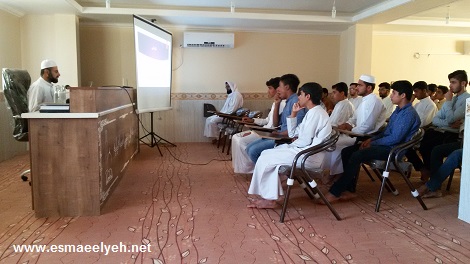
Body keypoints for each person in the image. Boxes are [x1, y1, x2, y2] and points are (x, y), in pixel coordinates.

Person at [324, 80, 421, 203]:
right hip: (386, 145)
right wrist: (372, 139)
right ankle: (349, 189)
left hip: (393, 150)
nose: (391, 96)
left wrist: (373, 143)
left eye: (394, 93)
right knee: (346, 151)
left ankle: (335, 191)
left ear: (403, 96)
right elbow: (386, 133)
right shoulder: (398, 111)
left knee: (357, 155)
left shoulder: (408, 114)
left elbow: (395, 138)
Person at [247, 82, 332, 209]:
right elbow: (293, 133)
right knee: (266, 154)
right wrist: (294, 114)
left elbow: (304, 141)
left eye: (301, 95)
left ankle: (270, 199)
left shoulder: (317, 113)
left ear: (308, 96)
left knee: (266, 158)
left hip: (307, 156)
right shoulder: (312, 112)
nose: (299, 98)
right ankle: (270, 196)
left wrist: (293, 144)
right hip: (302, 151)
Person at [409, 70, 470, 181]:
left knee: (431, 147)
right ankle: (428, 173)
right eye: (450, 82)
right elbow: (436, 119)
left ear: (463, 83)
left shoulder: (467, 99)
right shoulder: (453, 98)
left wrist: (448, 101)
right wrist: (449, 122)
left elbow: (451, 118)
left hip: (451, 135)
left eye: (453, 82)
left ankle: (433, 179)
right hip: (441, 130)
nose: (450, 85)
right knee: (417, 143)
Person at [323, 75, 386, 180]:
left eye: (360, 85)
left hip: (366, 137)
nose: (356, 88)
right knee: (332, 143)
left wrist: (349, 130)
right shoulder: (364, 100)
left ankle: (337, 175)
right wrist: (347, 124)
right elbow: (354, 118)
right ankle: (335, 173)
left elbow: (366, 126)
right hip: (356, 134)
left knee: (336, 144)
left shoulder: (374, 101)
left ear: (369, 88)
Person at [245, 74, 306, 164]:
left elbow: (297, 128)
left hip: (285, 139)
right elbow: (276, 123)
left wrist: (280, 133)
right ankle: (266, 172)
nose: (277, 90)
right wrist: (277, 104)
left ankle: (270, 173)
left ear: (287, 87)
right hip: (279, 135)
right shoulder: (288, 101)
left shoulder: (295, 102)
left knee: (253, 151)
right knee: (249, 148)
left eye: (280, 87)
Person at [231, 77, 285, 174]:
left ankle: (250, 168)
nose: (268, 91)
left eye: (270, 88)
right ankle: (242, 168)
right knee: (236, 137)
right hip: (264, 130)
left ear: (278, 89)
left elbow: (274, 125)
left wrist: (257, 130)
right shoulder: (275, 103)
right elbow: (267, 121)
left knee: (240, 141)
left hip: (267, 133)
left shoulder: (282, 104)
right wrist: (252, 120)